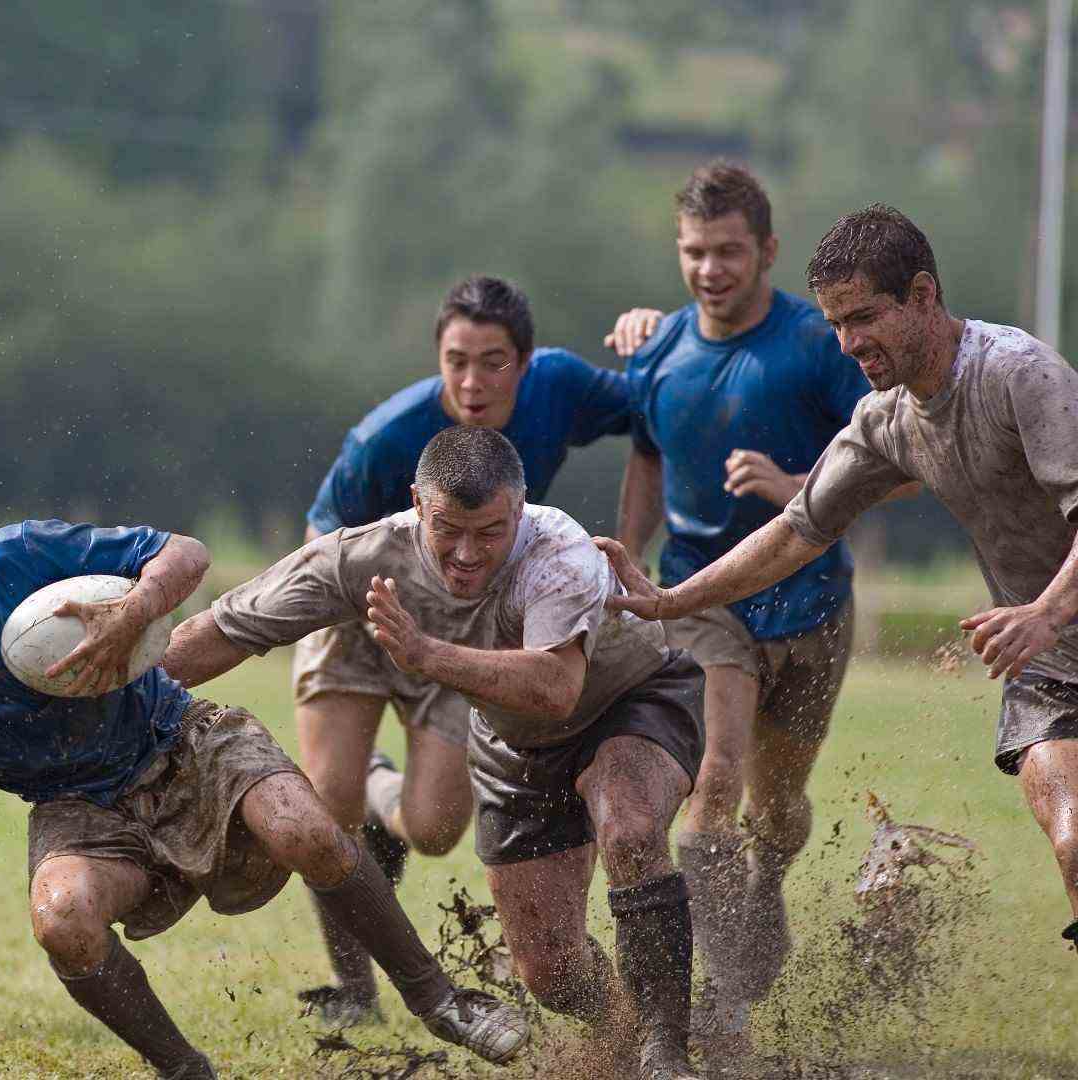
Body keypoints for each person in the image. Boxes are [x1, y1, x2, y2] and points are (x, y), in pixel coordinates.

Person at [0, 470, 528, 1080]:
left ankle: (442, 1002)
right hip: (77, 805)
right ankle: (184, 1069)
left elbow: (186, 552)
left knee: (306, 829)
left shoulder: (11, 559)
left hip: (179, 738)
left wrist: (136, 609)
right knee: (62, 919)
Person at [599, 202, 1078, 969]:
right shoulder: (886, 421)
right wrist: (666, 601)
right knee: (1074, 840)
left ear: (924, 294)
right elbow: (793, 531)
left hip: (1048, 629)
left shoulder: (1016, 373)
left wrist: (1047, 611)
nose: (851, 343)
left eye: (865, 317)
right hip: (1053, 671)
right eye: (836, 325)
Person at [167, 426, 707, 1080]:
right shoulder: (365, 554)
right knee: (550, 973)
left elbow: (555, 687)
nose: (466, 554)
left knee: (629, 829)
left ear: (519, 507)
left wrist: (426, 654)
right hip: (515, 747)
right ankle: (623, 1021)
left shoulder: (560, 551)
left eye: (489, 532)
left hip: (630, 700)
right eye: (447, 528)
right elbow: (226, 627)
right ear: (418, 504)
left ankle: (667, 1054)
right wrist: (108, 693)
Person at [601, 161, 892, 1037]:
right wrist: (632, 563)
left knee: (779, 811)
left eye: (729, 251)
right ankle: (722, 1000)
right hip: (702, 596)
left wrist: (796, 484)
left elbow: (898, 460)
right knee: (716, 785)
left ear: (766, 250)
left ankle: (763, 888)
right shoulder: (657, 354)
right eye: (694, 252)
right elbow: (646, 454)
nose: (710, 270)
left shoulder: (816, 345)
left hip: (811, 604)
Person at [297, 275, 632, 1023]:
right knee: (325, 807)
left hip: (461, 627)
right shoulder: (386, 436)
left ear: (528, 361)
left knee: (435, 827)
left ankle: (385, 797)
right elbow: (320, 543)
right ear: (437, 359)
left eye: (493, 362)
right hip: (358, 611)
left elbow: (658, 399)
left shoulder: (565, 388)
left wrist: (655, 327)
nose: (472, 382)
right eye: (456, 361)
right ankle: (355, 994)